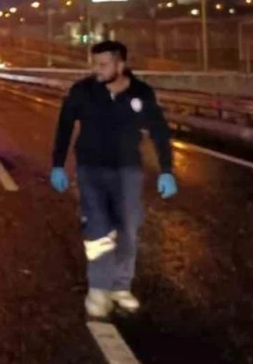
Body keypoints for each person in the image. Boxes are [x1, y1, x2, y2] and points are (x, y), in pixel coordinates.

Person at [50, 40, 178, 319]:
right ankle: (98, 288)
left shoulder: (141, 93)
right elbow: (64, 125)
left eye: (103, 64)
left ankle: (121, 286)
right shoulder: (82, 91)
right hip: (90, 170)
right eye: (94, 63)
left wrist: (167, 169)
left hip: (128, 171)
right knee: (97, 228)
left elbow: (159, 130)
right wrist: (57, 164)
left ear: (121, 65)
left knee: (127, 229)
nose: (96, 69)